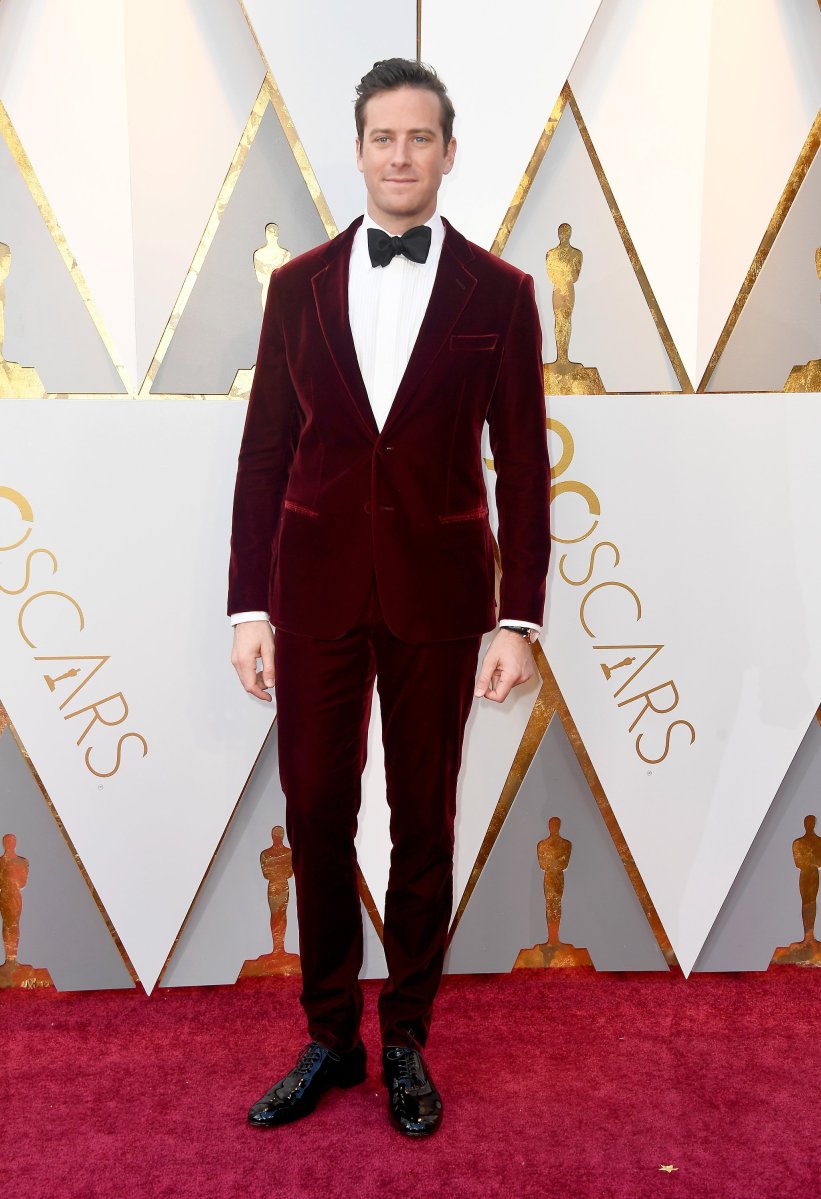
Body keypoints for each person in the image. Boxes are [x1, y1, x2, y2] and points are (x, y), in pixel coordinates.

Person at [228, 57, 550, 1138]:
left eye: (419, 138)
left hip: (442, 597)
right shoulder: (296, 287)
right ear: (358, 149)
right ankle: (329, 1034)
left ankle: (406, 1031)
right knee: (316, 810)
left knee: (424, 819)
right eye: (383, 137)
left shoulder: (500, 294)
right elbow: (264, 453)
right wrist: (247, 605)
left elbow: (524, 468)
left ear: (448, 153)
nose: (400, 156)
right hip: (313, 591)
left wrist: (517, 618)